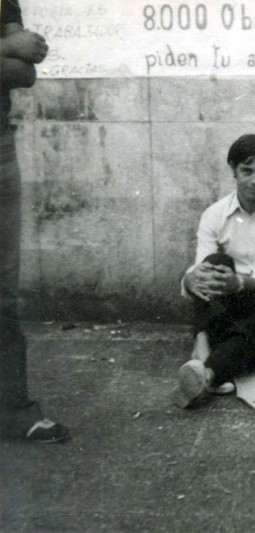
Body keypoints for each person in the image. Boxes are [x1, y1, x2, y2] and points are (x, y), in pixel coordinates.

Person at [172, 134, 255, 407]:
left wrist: (242, 283)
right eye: (247, 171)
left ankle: (206, 371)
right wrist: (189, 279)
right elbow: (201, 269)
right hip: (227, 300)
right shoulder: (215, 214)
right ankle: (204, 342)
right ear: (233, 169)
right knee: (213, 265)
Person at [0, 0, 70, 442]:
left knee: (4, 291)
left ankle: (12, 410)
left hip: (0, 150)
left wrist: (11, 49)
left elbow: (23, 70)